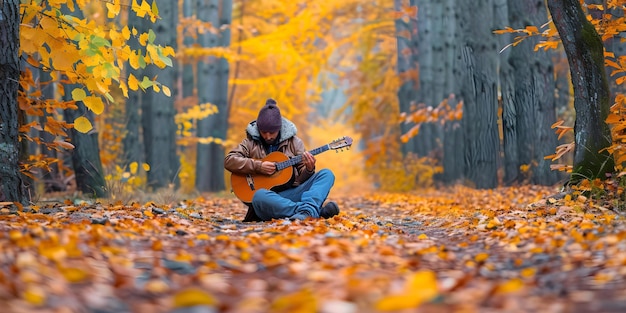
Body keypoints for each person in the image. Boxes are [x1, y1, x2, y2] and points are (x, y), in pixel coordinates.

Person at [224, 98, 340, 222]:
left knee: (326, 174)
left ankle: (306, 212)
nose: (268, 136)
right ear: (258, 129)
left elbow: (302, 177)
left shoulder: (295, 143)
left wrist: (309, 169)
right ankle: (312, 211)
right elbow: (229, 160)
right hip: (268, 201)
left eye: (272, 132)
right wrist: (258, 166)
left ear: (279, 128)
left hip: (292, 194)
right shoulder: (250, 143)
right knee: (258, 196)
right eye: (264, 132)